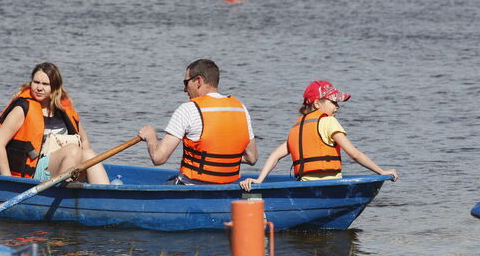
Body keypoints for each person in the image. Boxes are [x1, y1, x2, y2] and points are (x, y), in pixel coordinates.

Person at [239, 80, 397, 191]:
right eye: (333, 102)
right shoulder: (328, 122)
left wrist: (260, 180)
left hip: (304, 186)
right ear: (317, 104)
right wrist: (381, 172)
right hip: (330, 186)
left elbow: (275, 156)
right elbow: (354, 154)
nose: (337, 106)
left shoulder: (297, 127)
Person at [138, 59, 258, 184]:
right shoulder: (240, 108)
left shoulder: (188, 109)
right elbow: (252, 158)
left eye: (186, 83)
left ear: (198, 81)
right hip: (227, 187)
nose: (185, 90)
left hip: (192, 186)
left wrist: (151, 137)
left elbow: (159, 158)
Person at [0, 62, 110, 184]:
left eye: (45, 84)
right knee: (73, 150)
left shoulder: (64, 110)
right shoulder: (23, 109)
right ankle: (64, 195)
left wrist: (84, 165)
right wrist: (7, 180)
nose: (39, 88)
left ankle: (106, 196)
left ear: (55, 87)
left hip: (67, 166)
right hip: (34, 171)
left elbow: (84, 141)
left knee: (88, 154)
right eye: (36, 82)